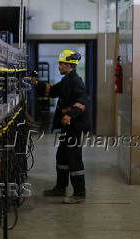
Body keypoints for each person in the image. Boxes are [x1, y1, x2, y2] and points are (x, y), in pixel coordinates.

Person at [42, 49, 91, 204]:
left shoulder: (76, 81)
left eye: (61, 64)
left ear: (69, 65)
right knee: (62, 157)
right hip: (66, 127)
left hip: (74, 126)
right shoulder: (67, 80)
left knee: (74, 158)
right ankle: (60, 187)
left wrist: (70, 115)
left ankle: (79, 193)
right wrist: (36, 83)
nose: (59, 66)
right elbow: (52, 91)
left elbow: (82, 102)